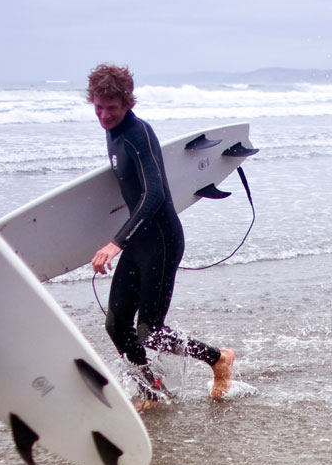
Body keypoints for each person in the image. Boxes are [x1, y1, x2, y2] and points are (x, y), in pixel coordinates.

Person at [85, 63, 236, 408]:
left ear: (127, 104)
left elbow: (153, 194)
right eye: (99, 108)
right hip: (139, 240)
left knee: (150, 330)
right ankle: (152, 390)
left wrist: (114, 242)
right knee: (117, 324)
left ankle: (219, 359)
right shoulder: (113, 131)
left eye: (112, 108)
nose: (105, 115)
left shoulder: (137, 134)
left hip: (162, 240)